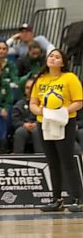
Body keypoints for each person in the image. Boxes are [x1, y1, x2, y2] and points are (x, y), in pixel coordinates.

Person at [30, 49, 83, 212]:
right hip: (44, 122)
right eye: (51, 56)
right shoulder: (40, 79)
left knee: (66, 160)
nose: (53, 58)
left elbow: (79, 102)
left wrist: (60, 112)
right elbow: (33, 103)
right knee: (52, 162)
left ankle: (78, 199)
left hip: (64, 122)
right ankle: (56, 199)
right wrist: (40, 111)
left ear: (63, 62)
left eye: (57, 57)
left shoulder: (70, 78)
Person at [12, 79, 43, 153]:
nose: (29, 90)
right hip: (24, 127)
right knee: (20, 132)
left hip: (39, 126)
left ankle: (41, 158)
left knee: (37, 131)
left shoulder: (43, 103)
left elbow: (47, 117)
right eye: (27, 88)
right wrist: (24, 124)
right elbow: (15, 120)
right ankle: (18, 158)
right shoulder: (19, 104)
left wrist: (37, 124)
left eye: (32, 87)